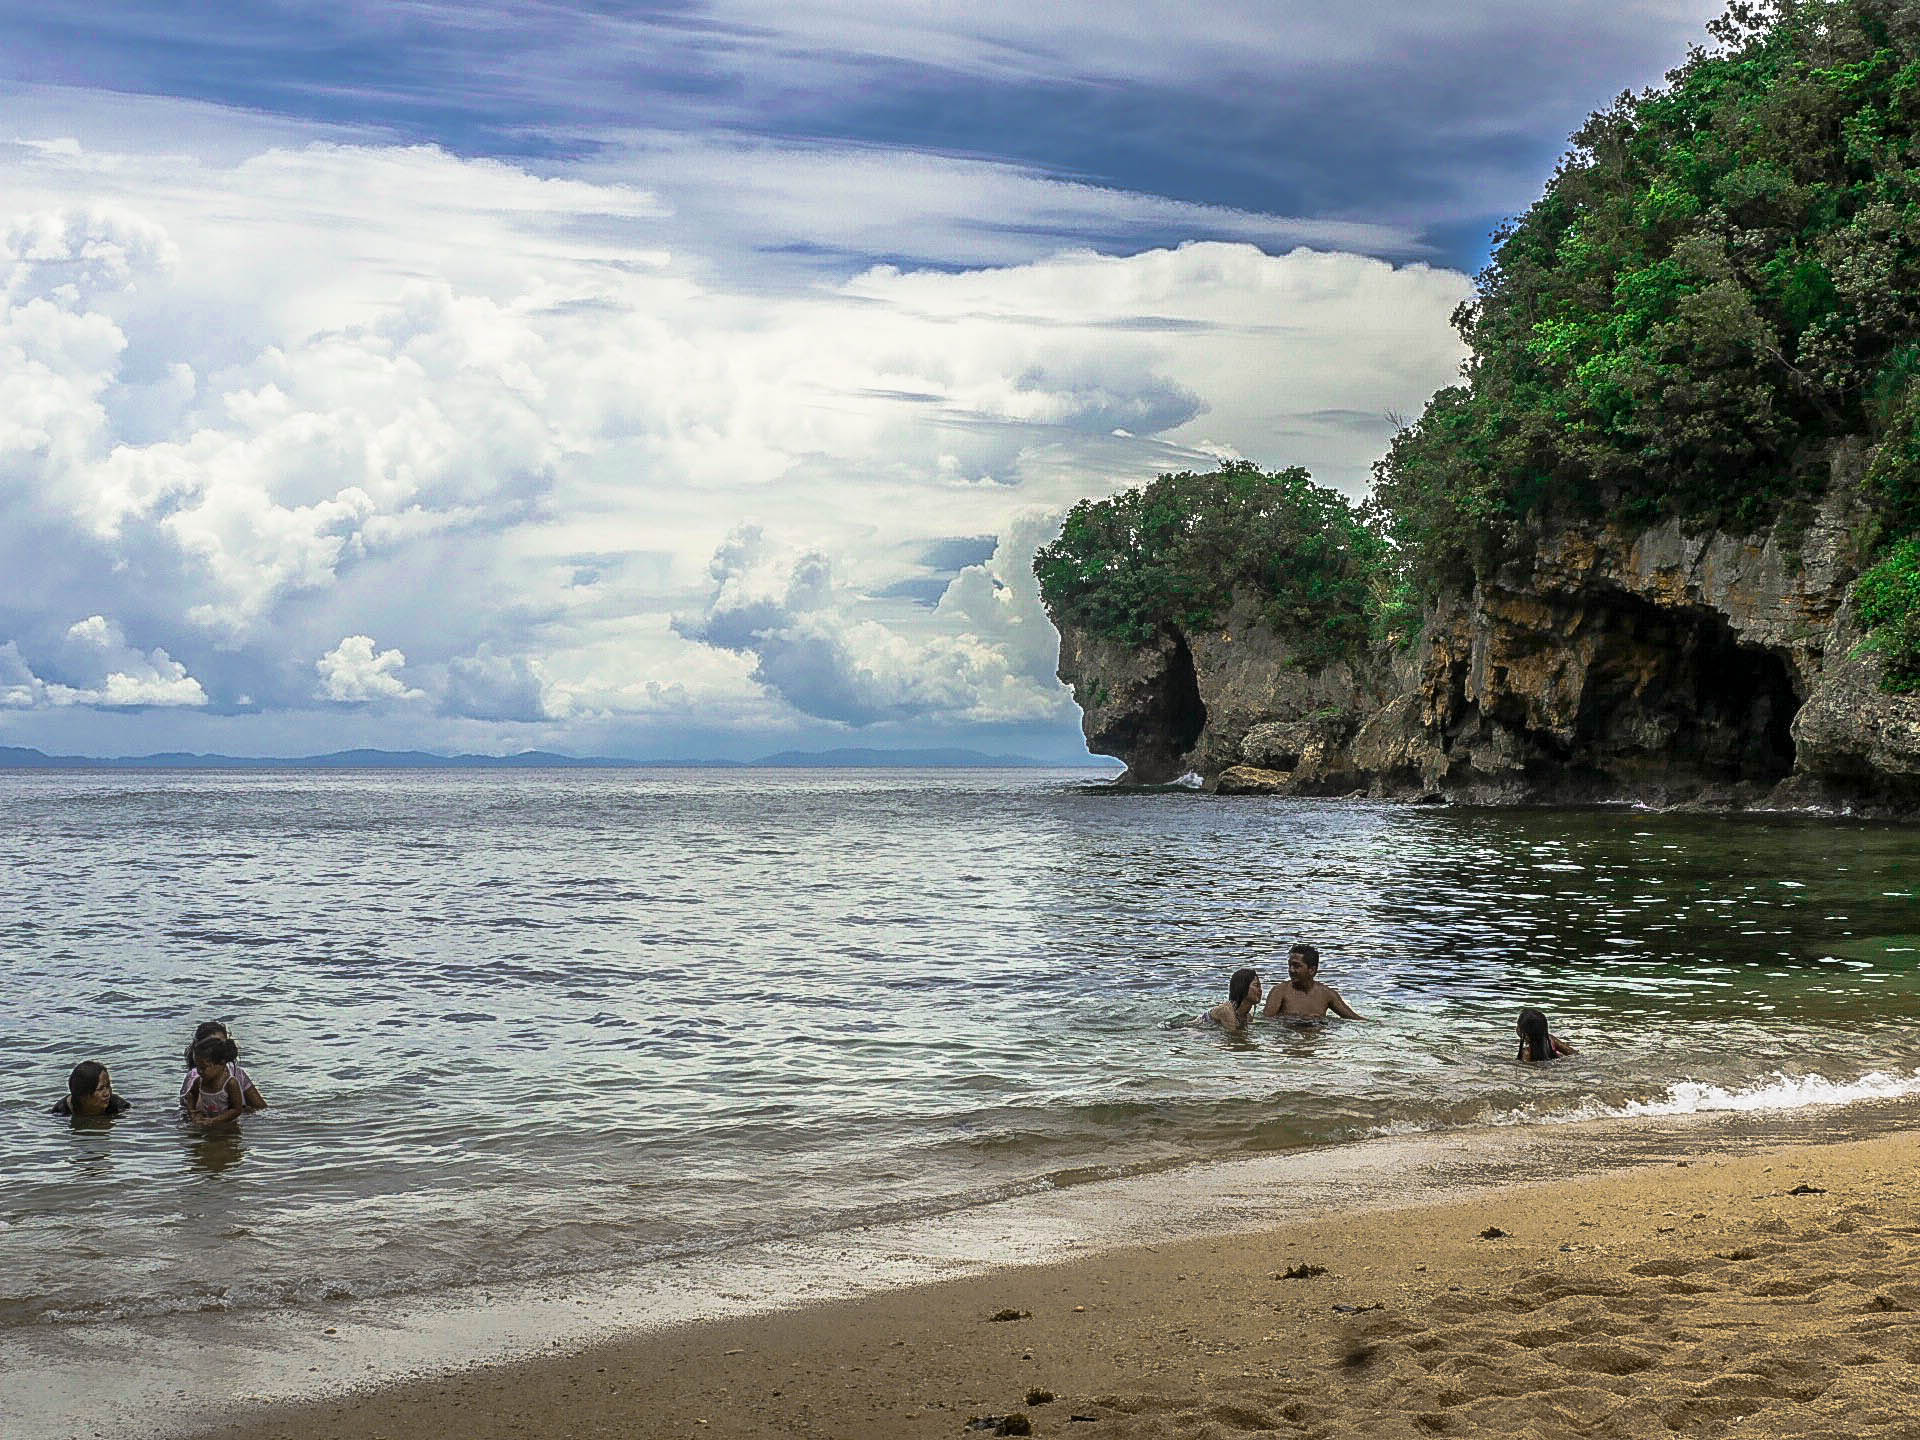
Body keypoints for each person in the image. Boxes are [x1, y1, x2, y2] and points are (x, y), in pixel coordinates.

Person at [1261, 943, 1366, 1022]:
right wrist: (1298, 1020)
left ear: (1312, 970)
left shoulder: (1326, 994)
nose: (1291, 970)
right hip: (1289, 1040)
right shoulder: (1280, 991)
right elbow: (1265, 1022)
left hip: (1316, 1043)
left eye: (1296, 966)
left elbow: (1353, 1018)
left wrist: (1378, 1024)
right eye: (1290, 965)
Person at [181, 1021, 266, 1109]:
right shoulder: (196, 1076)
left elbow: (261, 1107)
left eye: (222, 1044)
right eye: (214, 1045)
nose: (221, 1049)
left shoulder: (236, 1072)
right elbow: (193, 1109)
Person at [181, 1036, 247, 1129]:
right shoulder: (199, 1082)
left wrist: (215, 1120)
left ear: (221, 1063)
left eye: (203, 1067)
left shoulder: (230, 1083)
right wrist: (193, 1112)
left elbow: (236, 1110)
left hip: (228, 1128)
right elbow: (191, 1095)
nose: (199, 1071)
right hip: (207, 1123)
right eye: (197, 1066)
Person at [52, 1060, 130, 1118]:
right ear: (83, 1095)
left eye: (108, 1086)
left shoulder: (118, 1106)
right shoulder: (61, 1111)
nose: (107, 1093)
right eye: (101, 1089)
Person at [1201, 967, 1263, 1032]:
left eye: (1260, 986)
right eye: (1256, 985)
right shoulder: (1227, 1010)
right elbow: (1234, 1038)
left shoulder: (1247, 1017)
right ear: (1242, 987)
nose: (1260, 990)